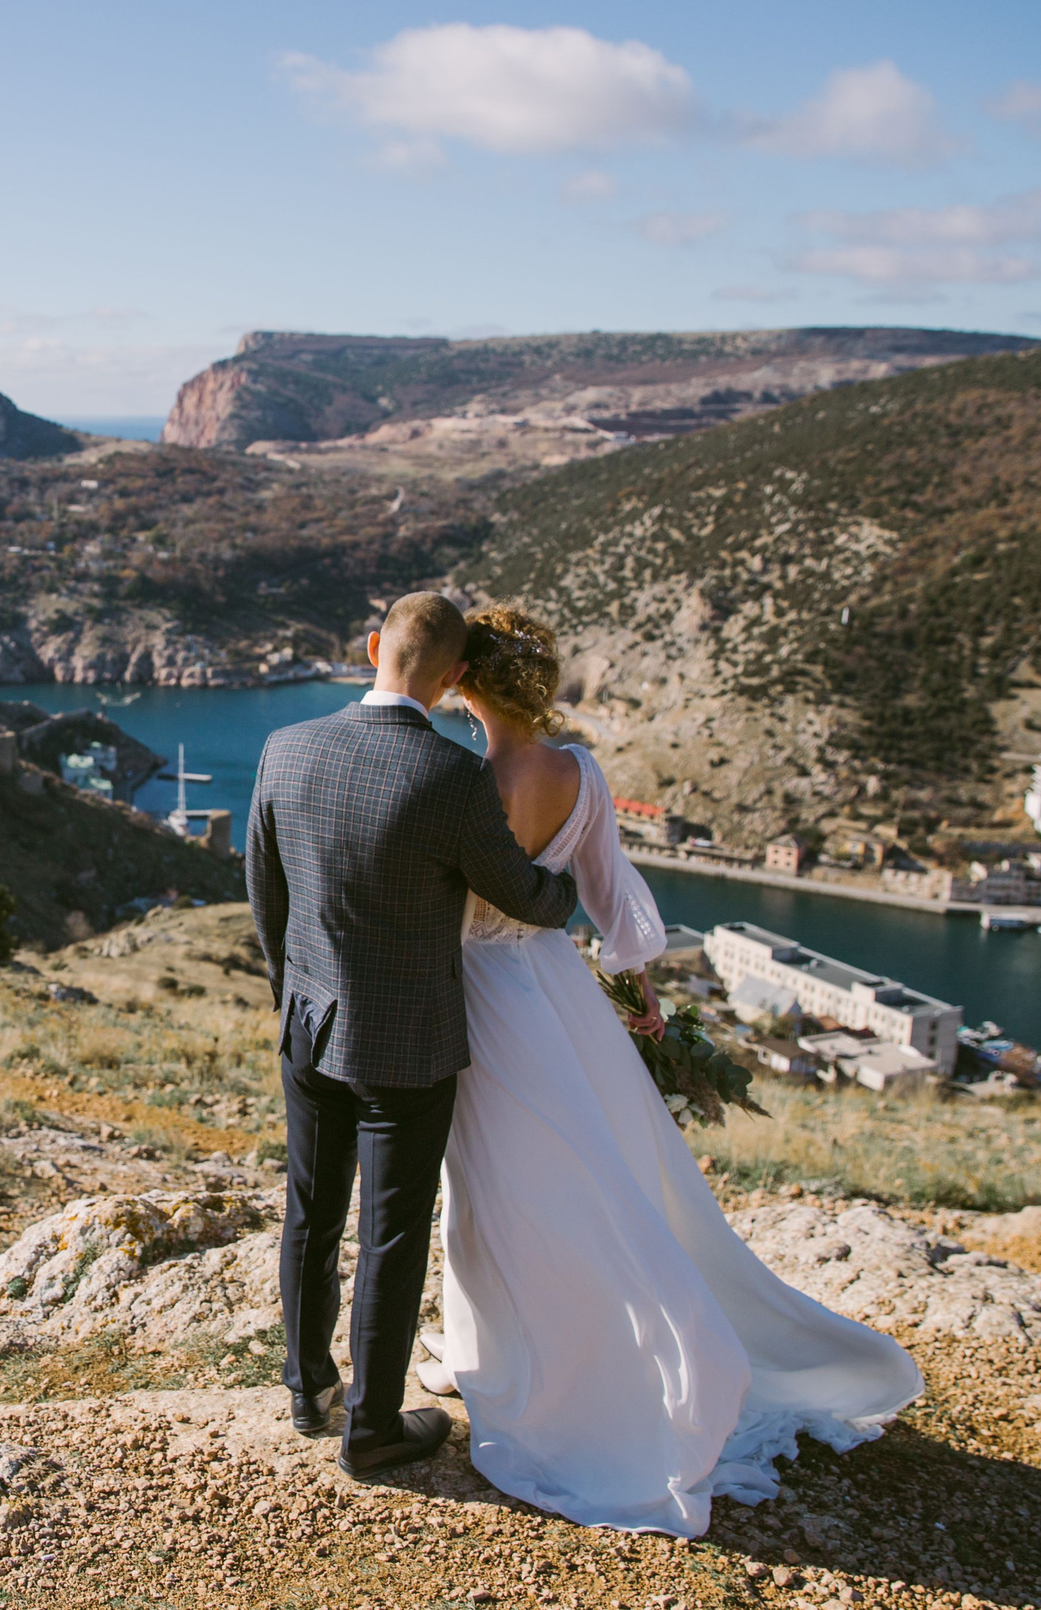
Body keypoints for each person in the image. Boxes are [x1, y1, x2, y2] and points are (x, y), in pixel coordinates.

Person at [419, 604, 922, 1535]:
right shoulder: (581, 773)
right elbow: (612, 893)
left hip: (479, 999)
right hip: (556, 991)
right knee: (597, 1176)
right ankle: (512, 1343)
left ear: (463, 682)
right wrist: (638, 995)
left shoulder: (458, 779)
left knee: (490, 1183)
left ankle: (528, 1357)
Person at [243, 592, 580, 1480]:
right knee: (391, 1231)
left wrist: (294, 1005)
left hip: (309, 1028)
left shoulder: (286, 749)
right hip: (409, 1047)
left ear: (371, 648)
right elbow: (523, 893)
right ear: (457, 677)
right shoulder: (450, 779)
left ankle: (305, 1387)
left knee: (311, 1213)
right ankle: (374, 1428)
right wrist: (572, 879)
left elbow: (265, 901)